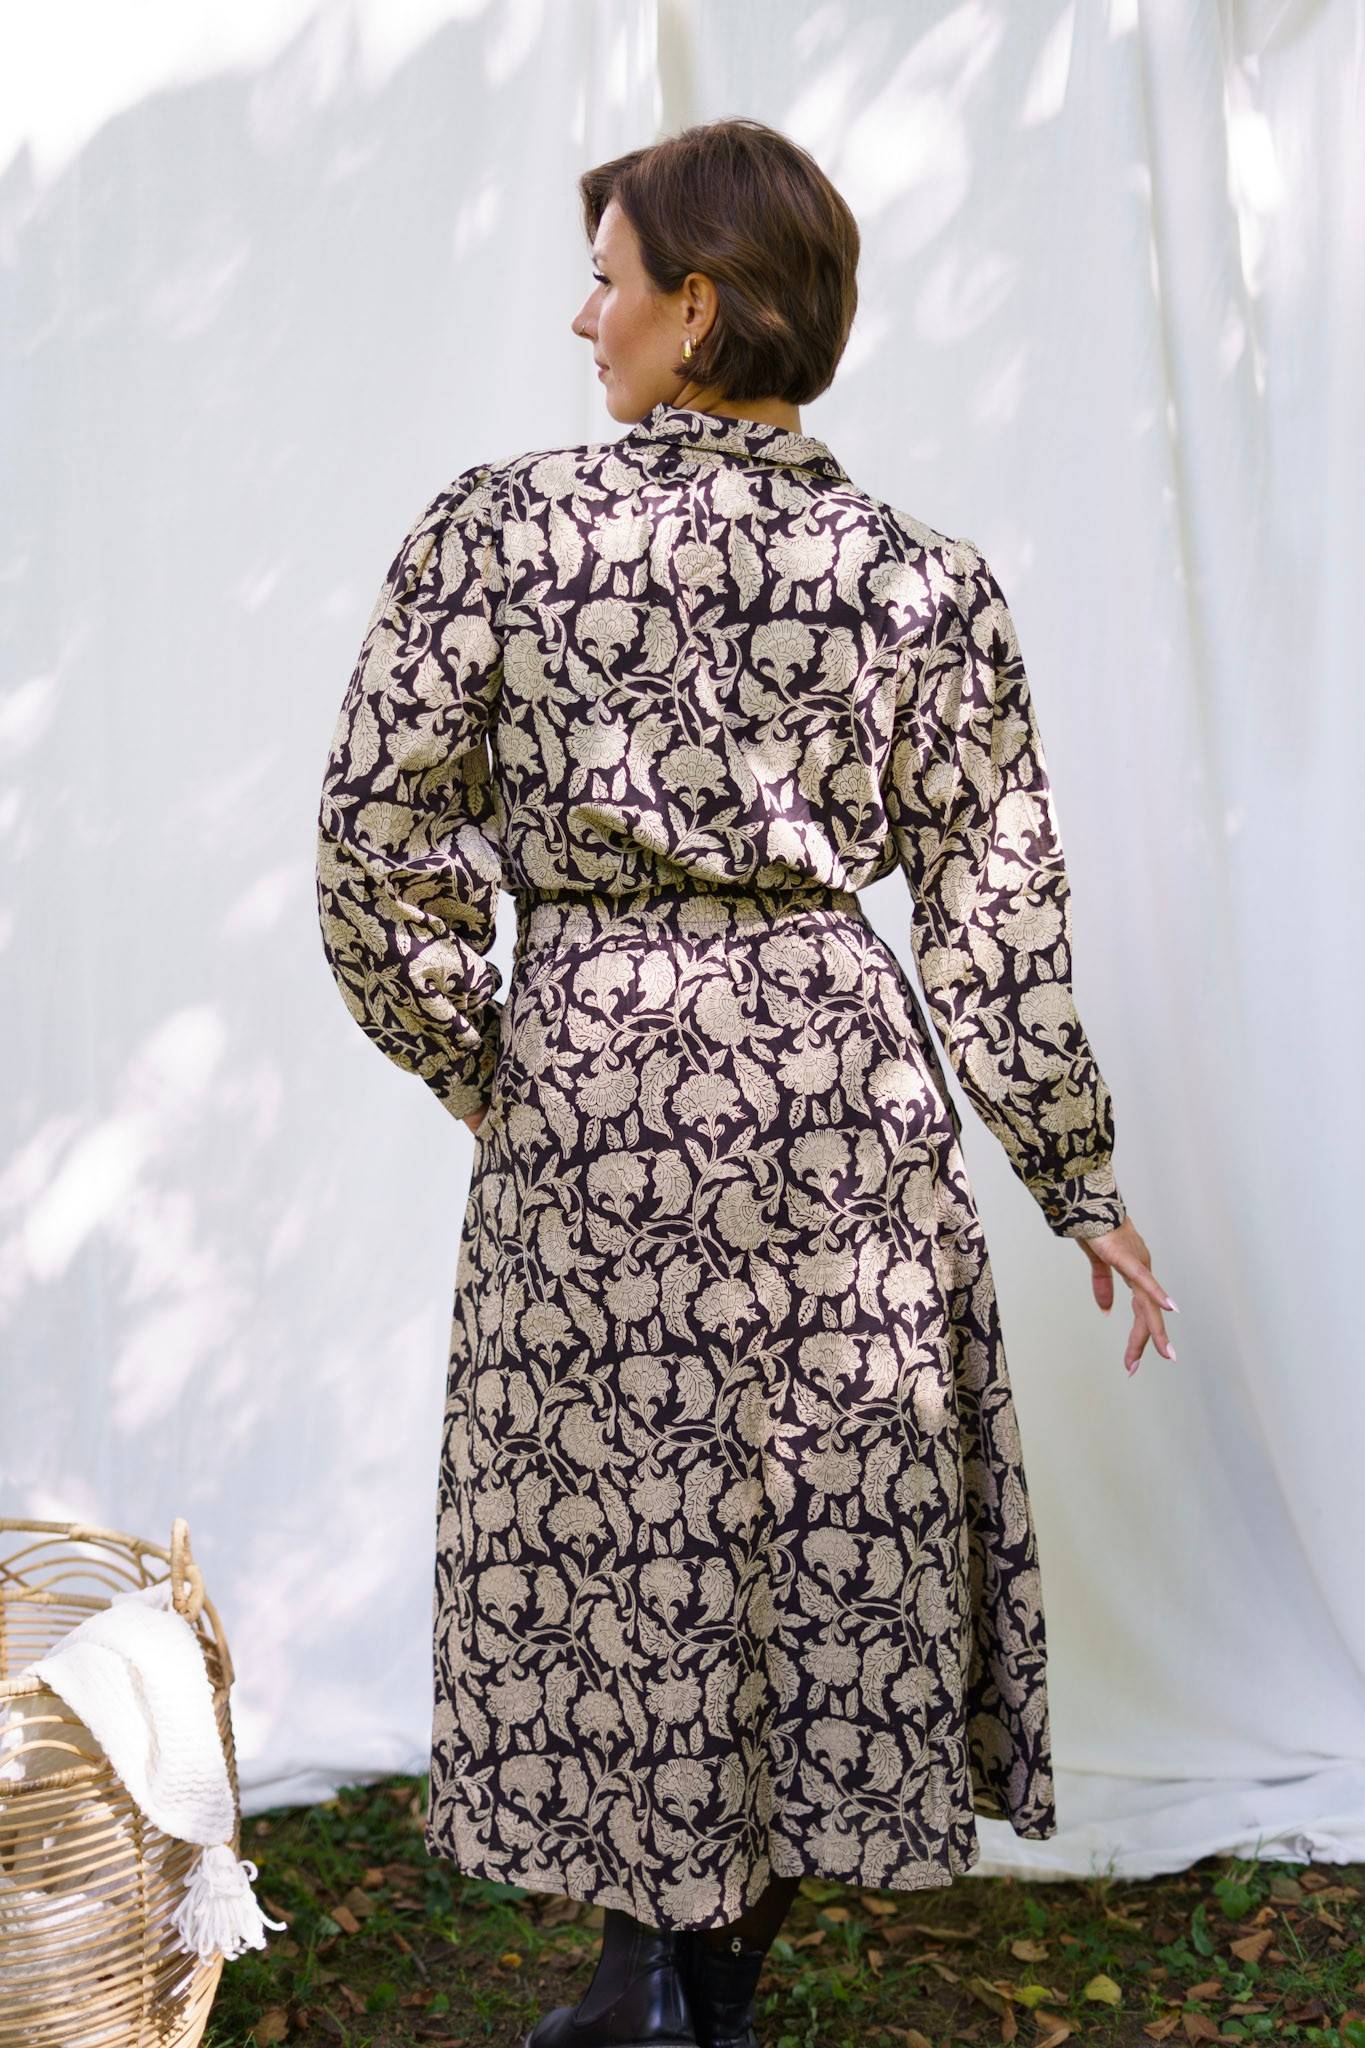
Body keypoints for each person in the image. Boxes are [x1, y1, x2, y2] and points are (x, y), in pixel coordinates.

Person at [314, 116, 1176, 2048]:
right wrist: (1073, 1175)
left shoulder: (495, 528)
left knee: (616, 1536)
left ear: (697, 310)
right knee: (819, 1523)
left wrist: (491, 1062)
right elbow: (994, 909)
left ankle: (649, 1980)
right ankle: (693, 1977)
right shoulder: (921, 579)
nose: (579, 316)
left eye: (605, 280)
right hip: (837, 1092)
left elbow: (375, 846)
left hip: (599, 1087)